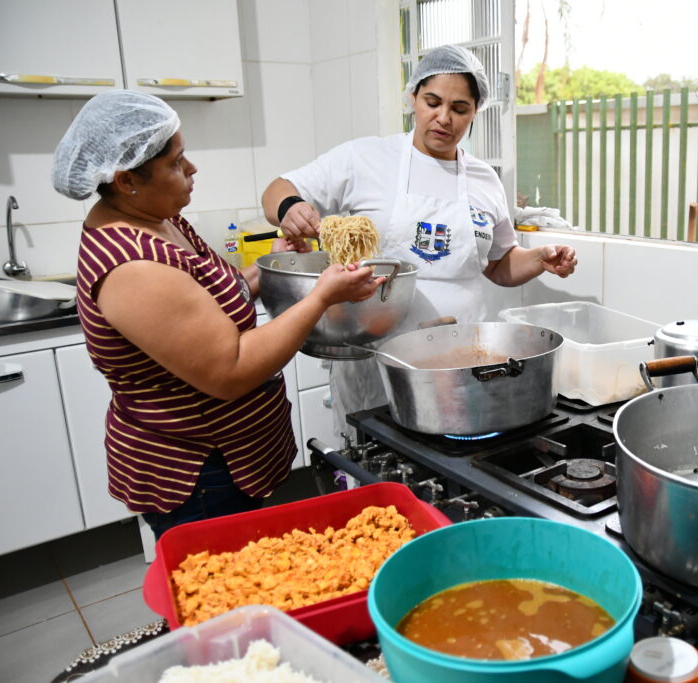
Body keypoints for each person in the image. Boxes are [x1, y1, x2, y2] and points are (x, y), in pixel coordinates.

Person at [51, 90, 385, 539]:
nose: (191, 170)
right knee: (220, 601)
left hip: (227, 459)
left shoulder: (160, 218)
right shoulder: (133, 267)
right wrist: (321, 297)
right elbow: (230, 369)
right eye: (176, 162)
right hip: (197, 475)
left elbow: (211, 297)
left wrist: (270, 265)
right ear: (127, 180)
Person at [260, 44, 578, 431]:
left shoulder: (484, 179)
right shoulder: (366, 158)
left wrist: (539, 259)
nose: (444, 118)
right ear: (413, 98)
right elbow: (278, 188)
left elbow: (497, 263)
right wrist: (290, 207)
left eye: (460, 109)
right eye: (432, 102)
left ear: (475, 111)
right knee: (377, 470)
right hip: (377, 358)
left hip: (461, 359)